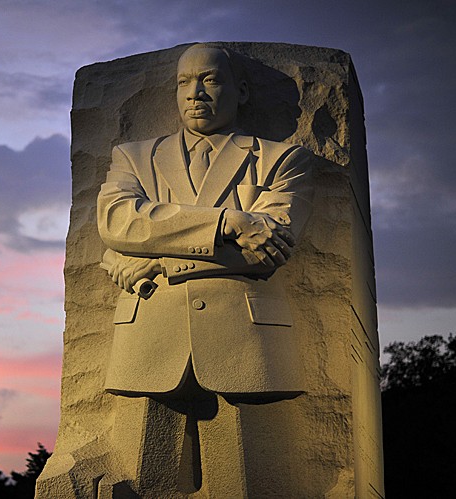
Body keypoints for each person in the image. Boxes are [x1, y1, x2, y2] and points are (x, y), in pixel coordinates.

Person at [96, 43, 314, 494]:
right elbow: (117, 221)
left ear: (242, 90)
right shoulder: (134, 156)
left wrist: (150, 257)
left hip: (245, 339)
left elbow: (266, 251)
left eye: (210, 80)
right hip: (150, 335)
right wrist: (227, 221)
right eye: (184, 82)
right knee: (144, 482)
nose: (195, 93)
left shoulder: (281, 158)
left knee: (248, 483)